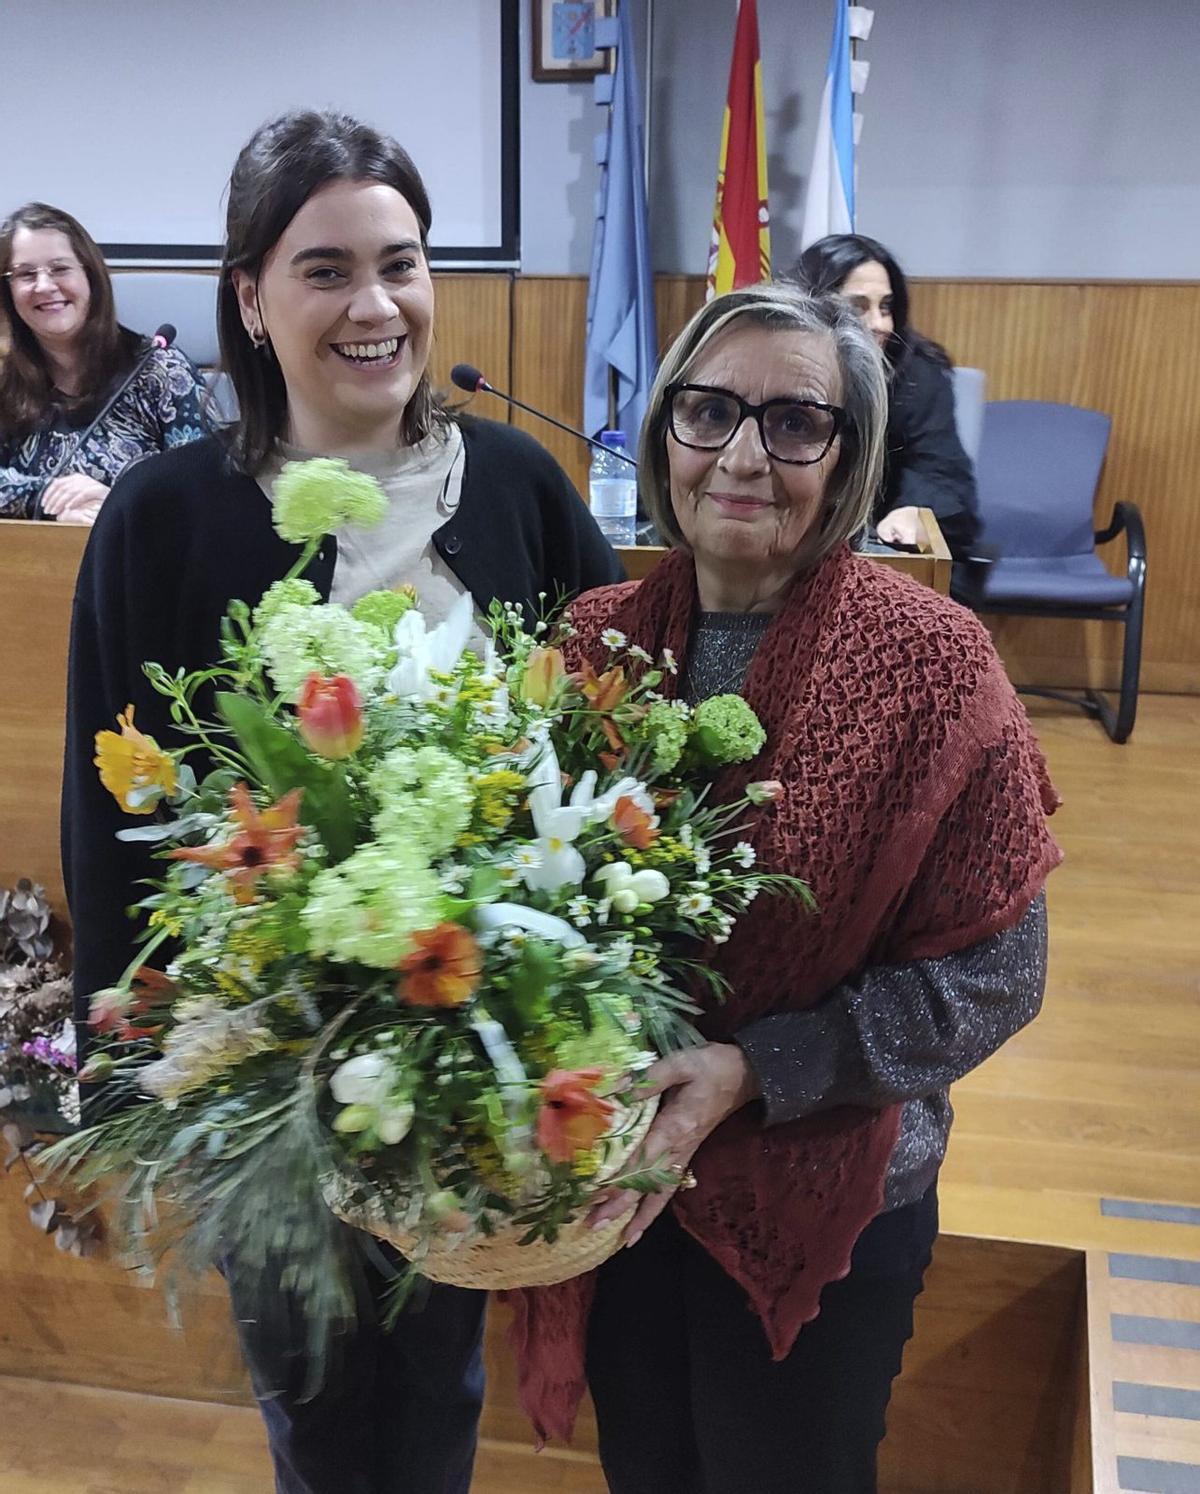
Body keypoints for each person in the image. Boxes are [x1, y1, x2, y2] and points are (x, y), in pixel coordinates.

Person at [61, 109, 623, 1494]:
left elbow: (612, 752)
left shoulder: (521, 487)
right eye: (325, 269)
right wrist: (137, 1057)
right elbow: (110, 807)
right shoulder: (166, 515)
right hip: (267, 1066)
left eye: (403, 262)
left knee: (441, 1383)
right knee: (311, 1395)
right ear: (250, 298)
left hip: (465, 1032)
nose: (375, 305)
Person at [504, 283, 1060, 1494]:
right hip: (627, 1184)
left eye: (795, 423)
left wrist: (761, 1068)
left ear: (848, 457)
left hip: (827, 1189)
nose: (745, 455)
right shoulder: (591, 643)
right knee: (650, 1470)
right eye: (710, 412)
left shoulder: (932, 665)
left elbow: (999, 976)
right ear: (664, 436)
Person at [0, 202, 208, 523]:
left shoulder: (161, 370)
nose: (44, 286)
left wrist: (117, 501)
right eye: (26, 274)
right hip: (32, 565)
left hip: (142, 561)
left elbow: (206, 485)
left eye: (59, 268)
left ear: (90, 275)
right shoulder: (5, 382)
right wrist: (46, 499)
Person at [791, 232, 979, 558]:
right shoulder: (778, 369)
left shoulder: (918, 375)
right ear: (812, 303)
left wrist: (916, 511)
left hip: (884, 546)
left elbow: (944, 476)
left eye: (886, 306)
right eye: (858, 306)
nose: (878, 323)